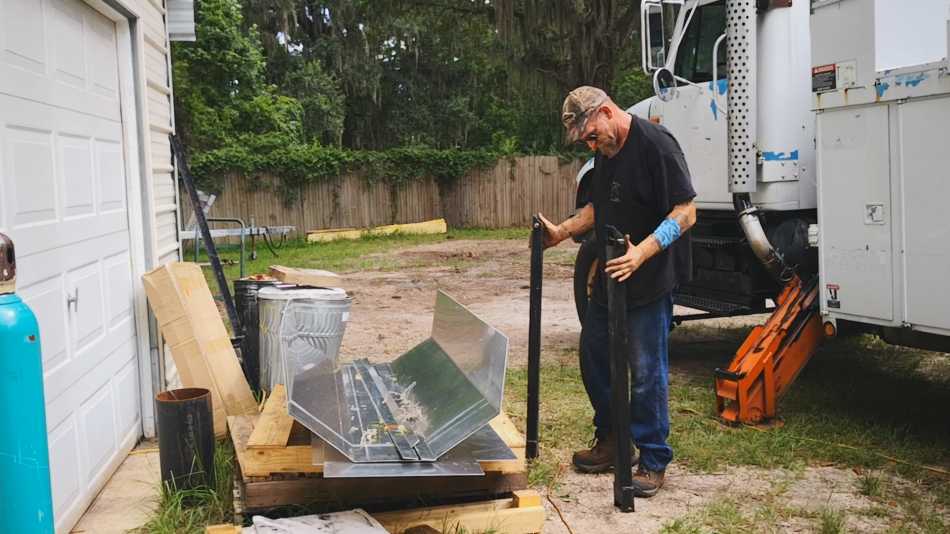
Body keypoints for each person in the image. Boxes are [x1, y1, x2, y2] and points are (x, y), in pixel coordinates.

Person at [539, 86, 696, 497]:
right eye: (586, 141)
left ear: (607, 112)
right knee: (594, 355)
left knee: (646, 372)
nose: (591, 144)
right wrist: (563, 231)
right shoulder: (604, 155)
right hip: (611, 277)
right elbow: (597, 209)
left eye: (592, 135)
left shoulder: (657, 145)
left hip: (648, 276)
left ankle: (653, 458)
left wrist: (641, 252)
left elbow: (686, 211)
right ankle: (613, 440)